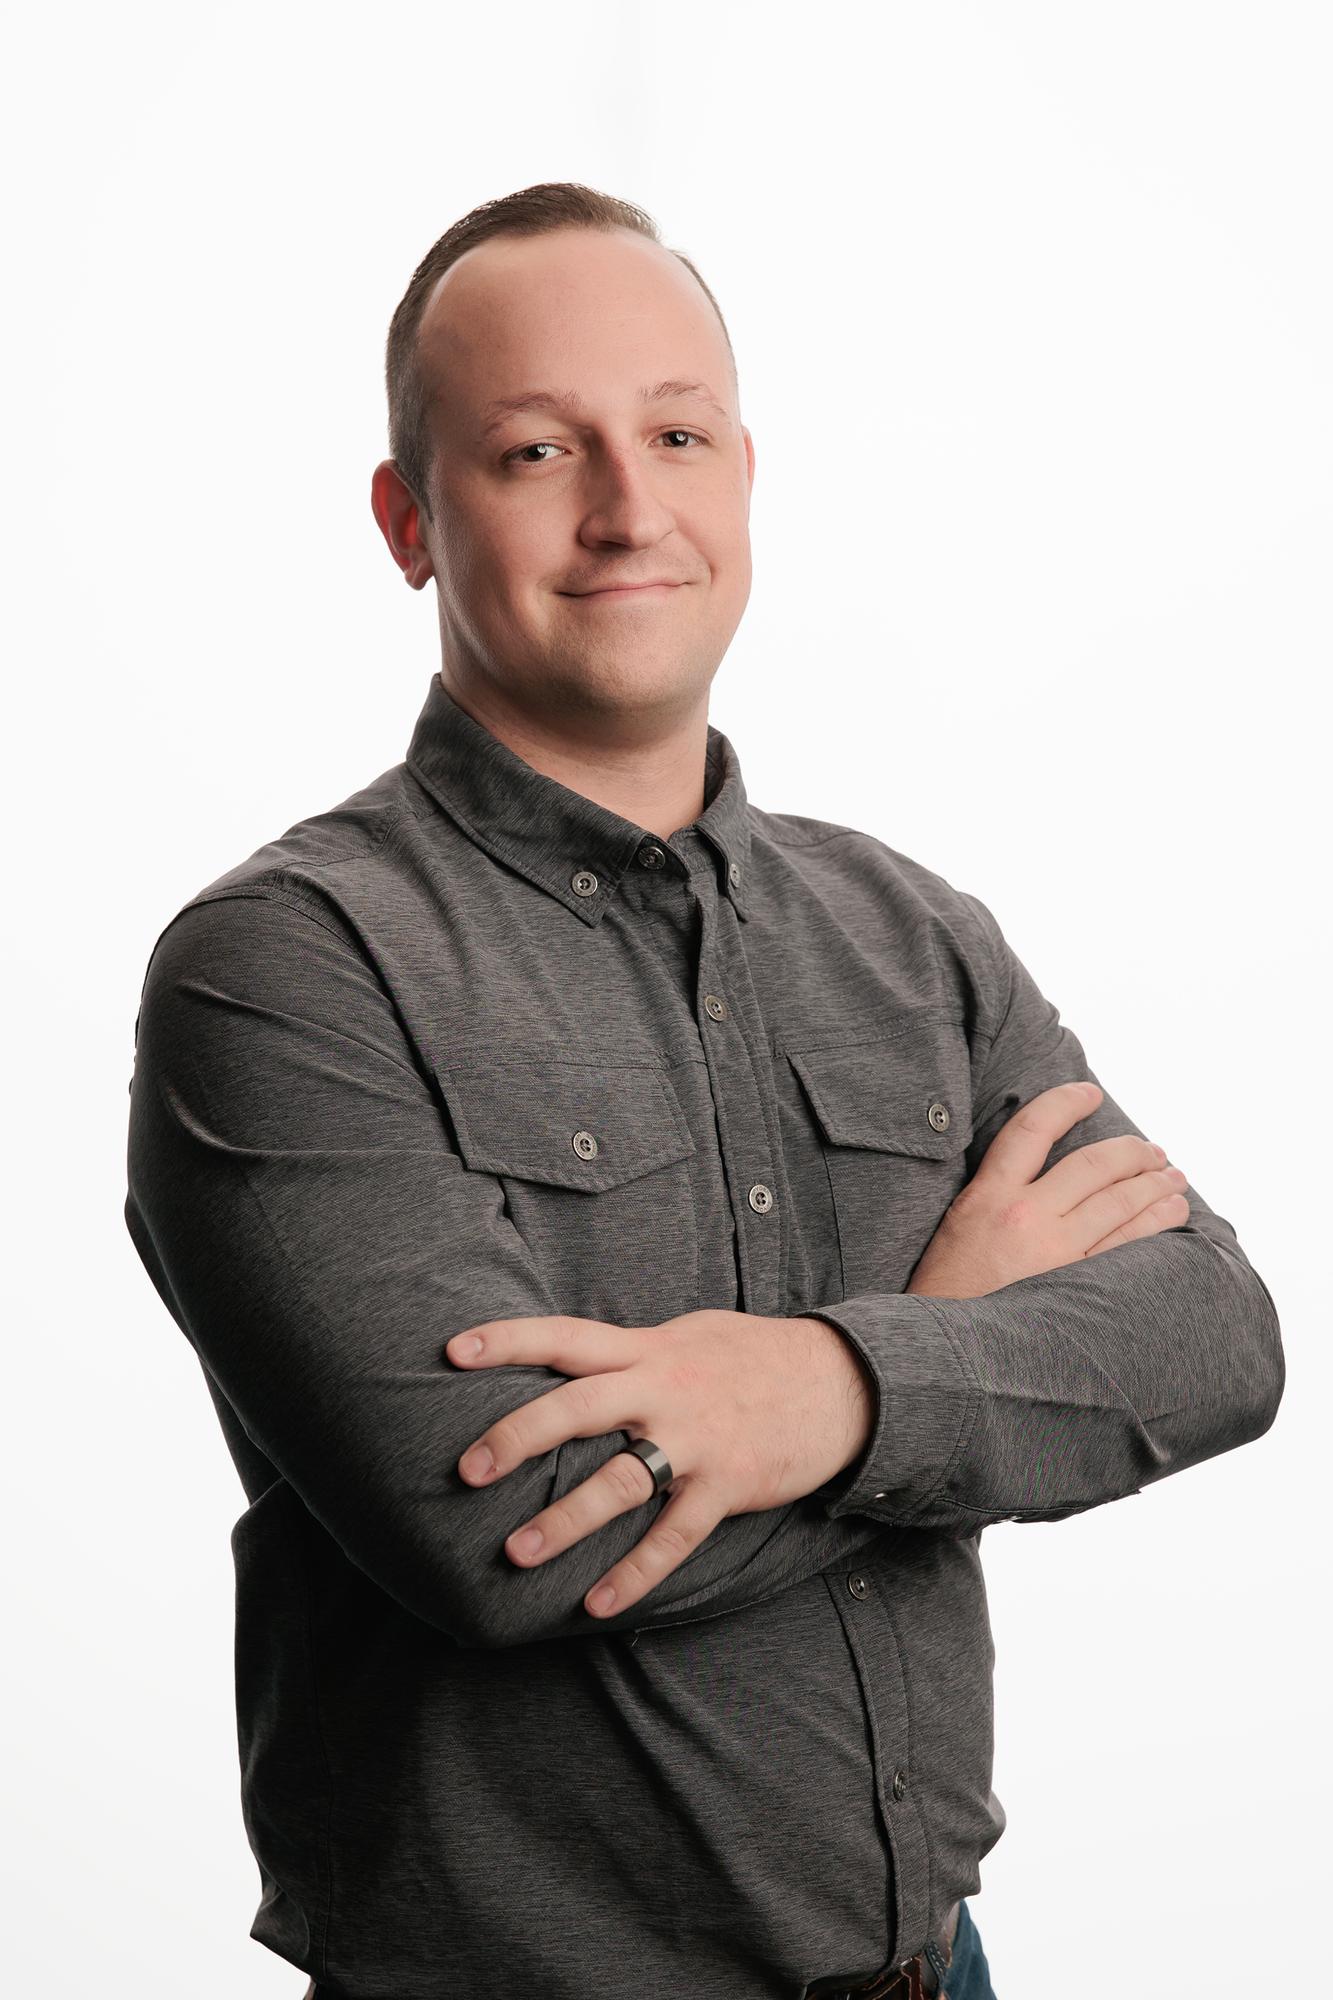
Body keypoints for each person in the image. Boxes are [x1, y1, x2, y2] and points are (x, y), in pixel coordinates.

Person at [123, 181, 1283, 2000]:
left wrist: (820, 1385)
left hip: (934, 1968)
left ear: (745, 476)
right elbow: (498, 1534)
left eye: (675, 433)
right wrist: (942, 1350)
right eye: (532, 449)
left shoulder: (912, 933)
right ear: (408, 522)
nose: (626, 507)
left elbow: (1212, 1339)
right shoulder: (285, 970)